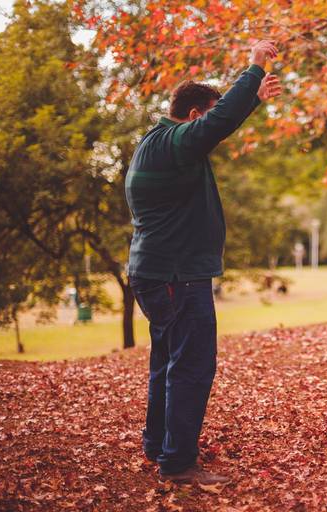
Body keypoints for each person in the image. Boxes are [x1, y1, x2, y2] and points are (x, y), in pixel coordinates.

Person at [125, 40, 282, 485]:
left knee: (168, 362)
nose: (212, 128)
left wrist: (250, 101)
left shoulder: (159, 143)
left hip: (159, 273)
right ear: (194, 115)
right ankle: (177, 464)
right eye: (207, 117)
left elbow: (219, 123)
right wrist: (253, 68)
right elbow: (217, 123)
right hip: (177, 277)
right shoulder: (173, 144)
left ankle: (160, 446)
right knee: (192, 366)